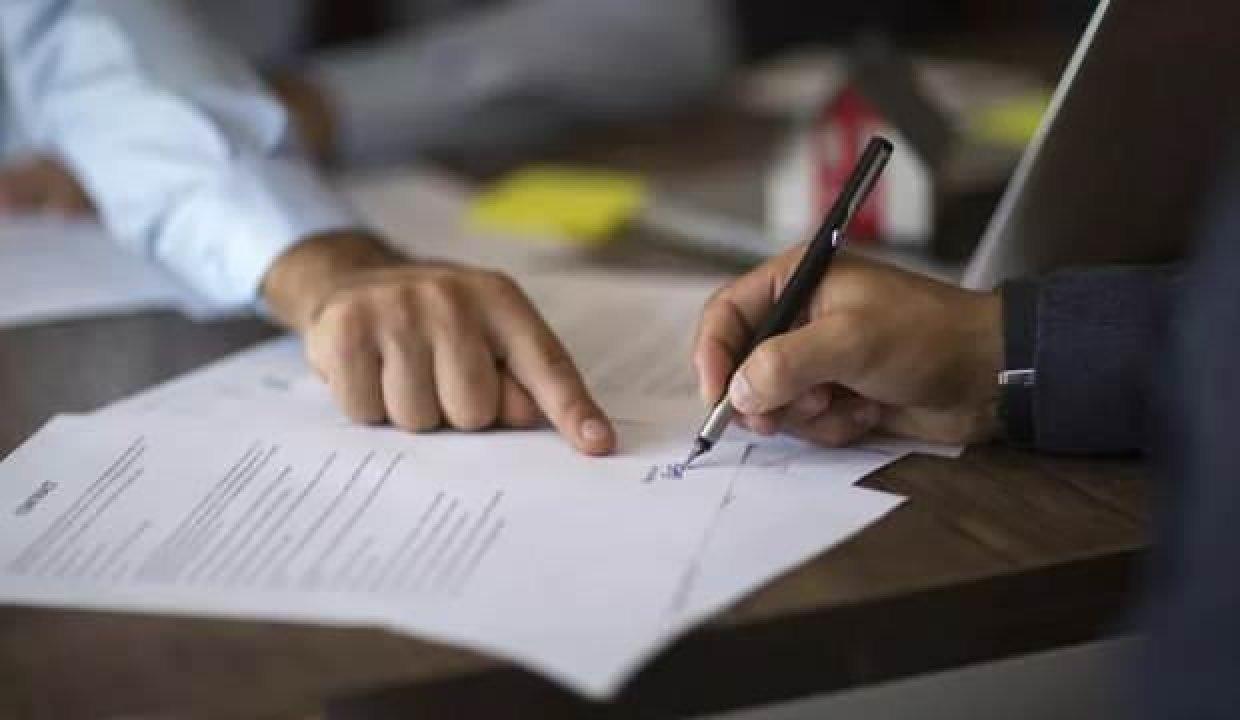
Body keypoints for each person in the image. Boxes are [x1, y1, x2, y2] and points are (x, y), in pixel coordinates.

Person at [0, 0, 615, 455]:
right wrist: (329, 262)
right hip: (76, 200)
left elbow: (654, 24)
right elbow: (86, 28)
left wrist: (324, 102)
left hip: (377, 160)